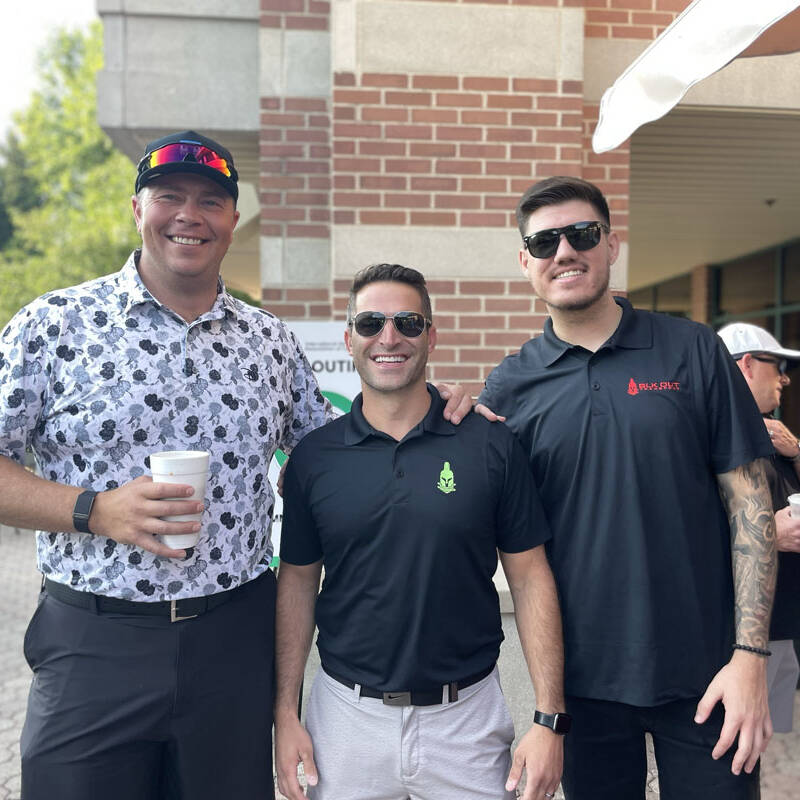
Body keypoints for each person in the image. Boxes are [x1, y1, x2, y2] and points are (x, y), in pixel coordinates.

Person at [0, 132, 471, 799]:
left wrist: (435, 402)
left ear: (232, 221)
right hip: (94, 642)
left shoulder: (267, 341)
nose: (189, 215)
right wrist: (93, 509)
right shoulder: (54, 324)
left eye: (211, 201)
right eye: (170, 196)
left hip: (233, 637)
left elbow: (342, 446)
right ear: (139, 209)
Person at [476, 176, 778, 800]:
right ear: (526, 261)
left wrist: (750, 658)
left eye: (582, 234)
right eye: (544, 241)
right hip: (582, 688)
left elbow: (750, 503)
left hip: (708, 676)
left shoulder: (692, 350)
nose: (564, 251)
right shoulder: (509, 387)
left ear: (612, 245)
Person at [274, 263, 567, 800]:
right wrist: (284, 715)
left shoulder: (489, 443)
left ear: (431, 335)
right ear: (348, 339)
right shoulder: (315, 457)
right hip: (344, 719)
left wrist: (549, 720)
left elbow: (529, 578)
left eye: (408, 322)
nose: (389, 337)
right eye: (370, 323)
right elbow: (296, 583)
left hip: (468, 720)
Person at [718, 322, 800, 734]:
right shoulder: (709, 435)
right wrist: (772, 533)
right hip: (735, 638)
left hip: (782, 628)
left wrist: (798, 451)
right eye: (778, 365)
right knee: (737, 748)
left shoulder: (777, 436)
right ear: (748, 365)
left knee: (766, 743)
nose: (784, 376)